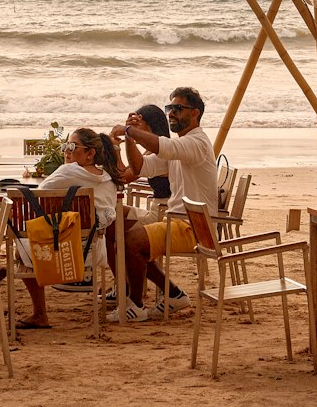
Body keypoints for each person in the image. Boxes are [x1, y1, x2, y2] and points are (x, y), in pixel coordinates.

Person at [107, 85, 218, 323]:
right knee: (126, 235)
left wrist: (129, 130)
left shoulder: (196, 143)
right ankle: (173, 294)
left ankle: (136, 306)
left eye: (178, 108)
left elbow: (162, 146)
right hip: (177, 221)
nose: (171, 113)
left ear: (195, 113)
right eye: (170, 108)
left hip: (195, 228)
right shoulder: (181, 147)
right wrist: (129, 138)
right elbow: (138, 168)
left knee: (131, 241)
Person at [16, 127, 125, 330]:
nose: (66, 151)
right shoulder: (109, 180)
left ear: (90, 153)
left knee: (20, 246)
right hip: (92, 253)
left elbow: (40, 195)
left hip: (58, 252)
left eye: (72, 147)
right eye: (65, 145)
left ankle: (40, 313)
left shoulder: (68, 171)